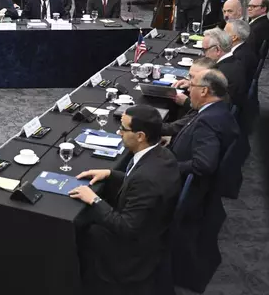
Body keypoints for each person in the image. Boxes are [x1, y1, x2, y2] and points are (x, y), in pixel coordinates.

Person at [70, 105, 181, 295]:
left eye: (124, 129)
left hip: (133, 253)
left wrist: (94, 200)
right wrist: (110, 174)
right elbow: (138, 181)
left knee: (80, 227)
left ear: (140, 136)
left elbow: (126, 227)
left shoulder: (146, 179)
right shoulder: (163, 154)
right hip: (153, 229)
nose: (119, 132)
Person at [169, 69, 239, 293]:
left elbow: (203, 165)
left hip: (186, 194)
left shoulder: (207, 121)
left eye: (192, 83)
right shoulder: (219, 110)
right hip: (202, 194)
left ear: (205, 90)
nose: (188, 87)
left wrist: (167, 166)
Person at [163, 57, 218, 138]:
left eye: (194, 77)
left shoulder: (205, 108)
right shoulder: (214, 93)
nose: (189, 85)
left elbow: (173, 128)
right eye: (190, 76)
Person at [200, 27, 247, 108]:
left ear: (218, 50)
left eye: (205, 50)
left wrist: (185, 101)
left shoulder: (220, 73)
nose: (203, 55)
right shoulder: (234, 62)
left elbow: (208, 105)